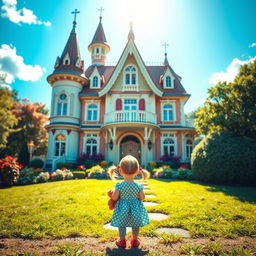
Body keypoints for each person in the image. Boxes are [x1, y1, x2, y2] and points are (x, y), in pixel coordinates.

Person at [108, 155, 150, 248]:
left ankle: (122, 240)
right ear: (137, 171)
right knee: (136, 224)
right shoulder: (138, 186)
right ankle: (135, 240)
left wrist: (112, 194)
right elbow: (142, 197)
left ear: (120, 170)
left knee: (122, 224)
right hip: (136, 208)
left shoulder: (119, 185)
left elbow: (114, 198)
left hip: (122, 208)